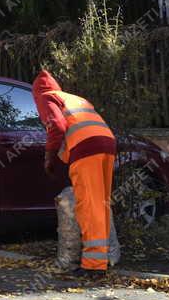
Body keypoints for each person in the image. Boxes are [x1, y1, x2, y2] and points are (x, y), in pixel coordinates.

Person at [32, 69, 116, 275]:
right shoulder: (74, 99)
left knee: (88, 205)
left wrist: (49, 157)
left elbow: (57, 127)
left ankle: (94, 265)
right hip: (108, 144)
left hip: (86, 149)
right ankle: (104, 258)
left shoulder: (46, 97)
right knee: (101, 203)